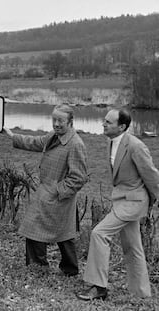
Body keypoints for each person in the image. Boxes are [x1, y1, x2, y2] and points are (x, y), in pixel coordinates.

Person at [77, 108, 159, 301]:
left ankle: (99, 288)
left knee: (99, 233)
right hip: (121, 200)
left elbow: (151, 176)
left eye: (108, 122)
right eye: (104, 120)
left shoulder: (135, 146)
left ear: (122, 126)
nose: (103, 124)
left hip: (133, 202)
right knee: (133, 246)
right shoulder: (112, 142)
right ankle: (141, 292)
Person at [3, 104, 88, 276]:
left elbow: (78, 177)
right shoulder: (54, 136)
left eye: (61, 121)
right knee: (55, 232)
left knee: (58, 232)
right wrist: (13, 136)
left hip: (58, 197)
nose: (56, 124)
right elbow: (37, 142)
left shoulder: (75, 144)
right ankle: (49, 268)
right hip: (47, 194)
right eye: (54, 120)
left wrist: (57, 191)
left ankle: (51, 269)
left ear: (70, 122)